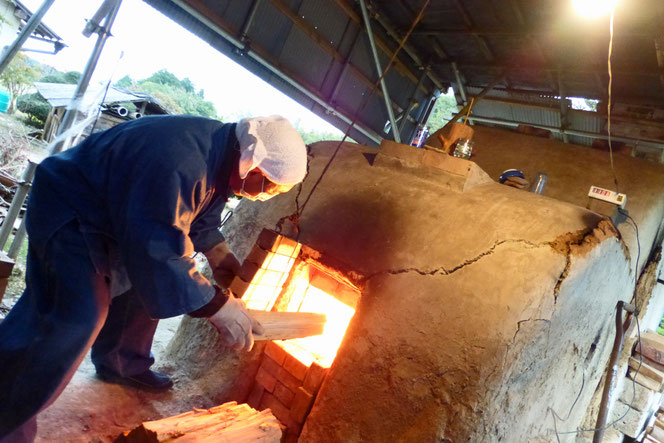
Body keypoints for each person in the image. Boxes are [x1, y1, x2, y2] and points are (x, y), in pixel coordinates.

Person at [0, 114, 308, 441]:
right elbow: (157, 247)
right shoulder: (182, 160)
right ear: (256, 167)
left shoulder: (223, 154)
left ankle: (122, 362)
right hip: (72, 207)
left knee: (145, 289)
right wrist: (218, 307)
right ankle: (7, 413)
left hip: (115, 214)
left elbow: (198, 215)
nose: (268, 194)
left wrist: (218, 253)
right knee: (76, 316)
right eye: (271, 187)